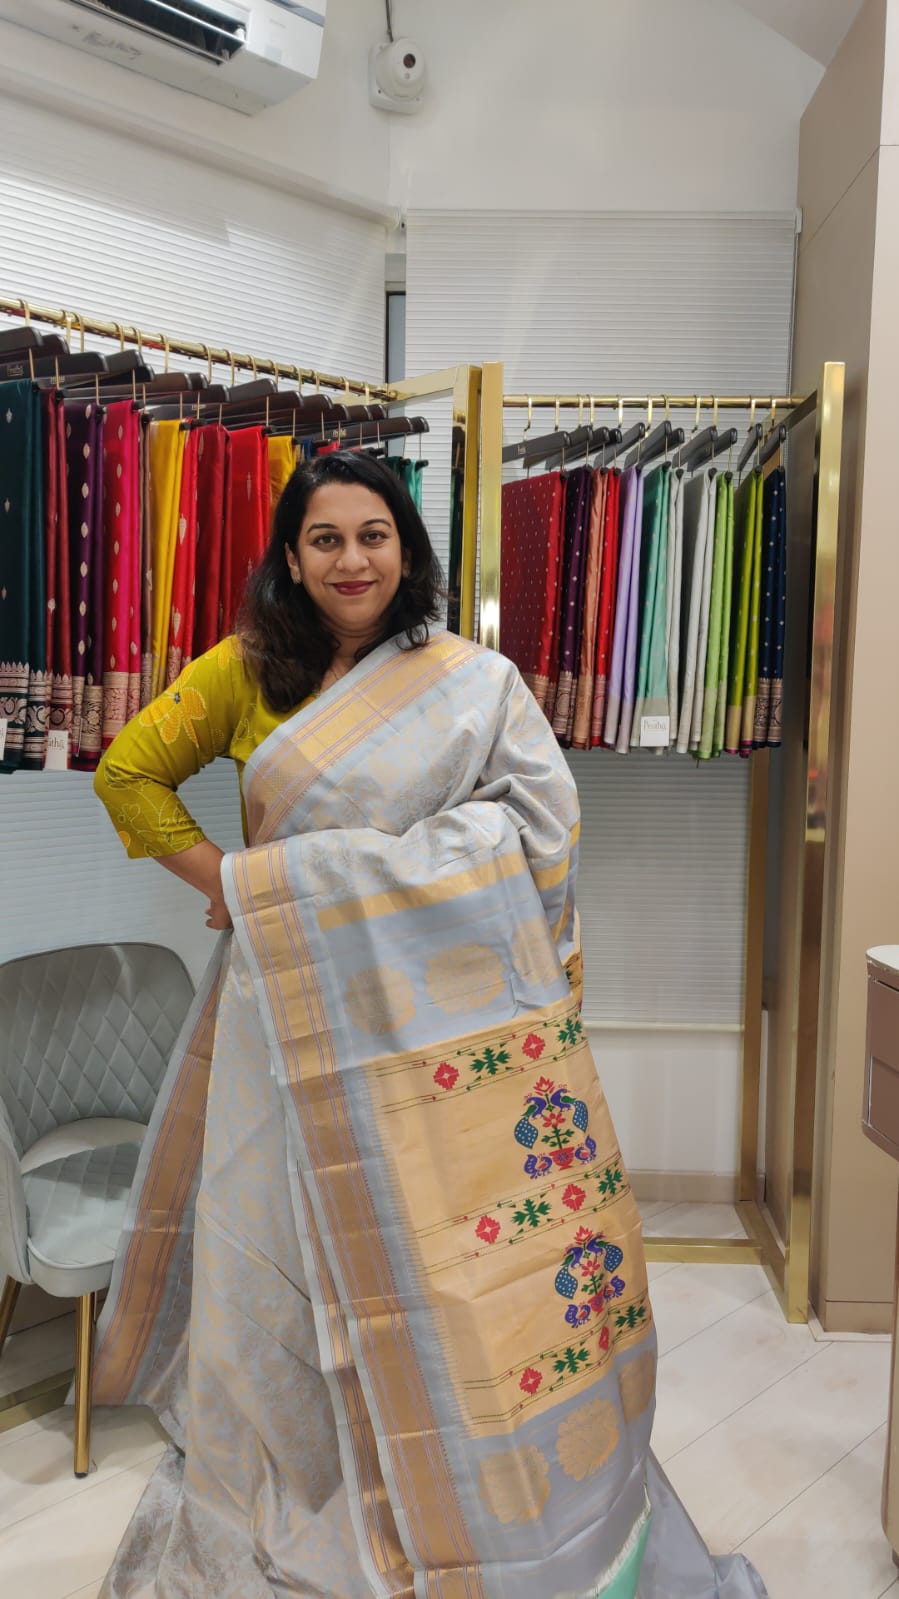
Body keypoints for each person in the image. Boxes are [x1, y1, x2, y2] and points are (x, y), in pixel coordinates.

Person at [93, 452, 767, 1599]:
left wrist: (283, 883)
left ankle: (439, 1473)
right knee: (282, 1247)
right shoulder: (247, 670)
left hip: (433, 1040)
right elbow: (127, 775)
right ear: (291, 556)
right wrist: (235, 887)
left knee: (437, 1260)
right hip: (285, 1017)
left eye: (373, 536)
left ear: (406, 551)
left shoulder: (472, 684)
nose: (350, 560)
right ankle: (305, 1465)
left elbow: (538, 835)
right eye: (324, 539)